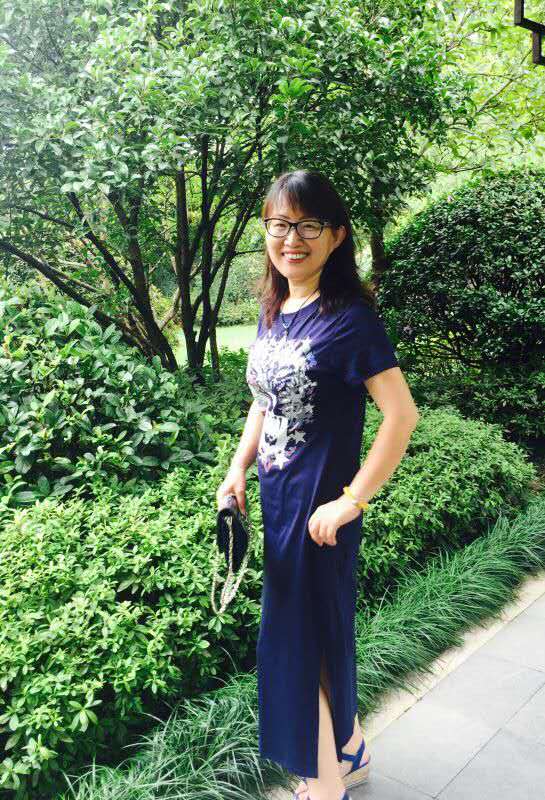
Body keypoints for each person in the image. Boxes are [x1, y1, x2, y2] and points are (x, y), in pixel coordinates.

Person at [216, 169, 420, 800]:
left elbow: (401, 415)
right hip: (278, 505)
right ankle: (350, 748)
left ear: (337, 236)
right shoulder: (273, 310)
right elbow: (264, 400)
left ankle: (324, 784)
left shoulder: (351, 320)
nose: (291, 239)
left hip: (320, 513)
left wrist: (352, 500)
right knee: (317, 636)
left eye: (308, 225)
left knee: (296, 644)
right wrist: (238, 467)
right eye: (280, 224)